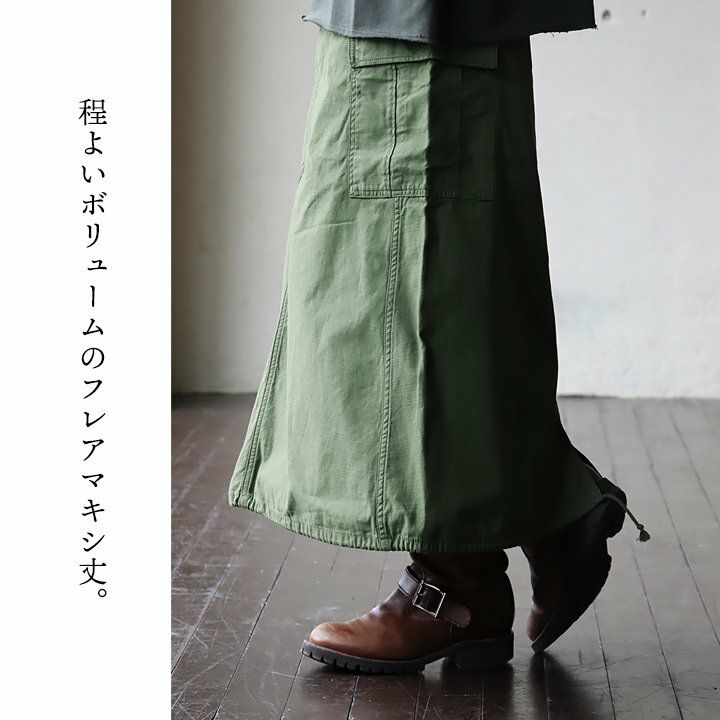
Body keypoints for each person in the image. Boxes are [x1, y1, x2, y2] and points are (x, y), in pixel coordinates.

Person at [227, 0, 649, 673]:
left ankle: (457, 578)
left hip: (417, 25)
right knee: (442, 280)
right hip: (422, 23)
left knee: (399, 292)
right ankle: (532, 518)